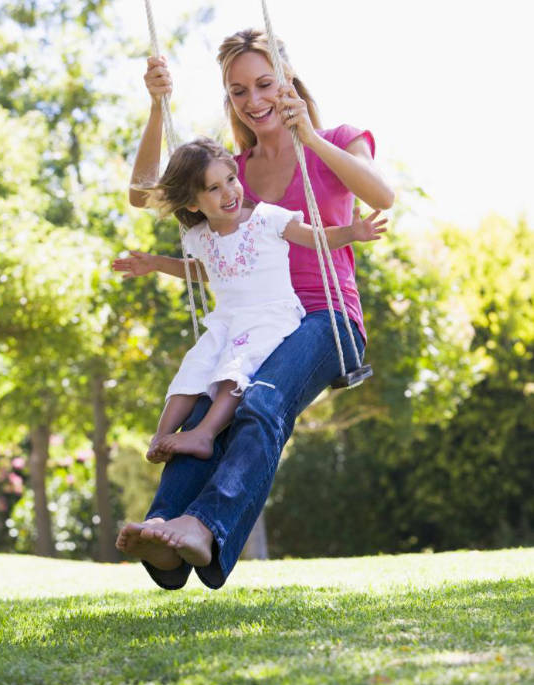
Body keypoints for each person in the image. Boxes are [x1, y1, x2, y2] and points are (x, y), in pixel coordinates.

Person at [115, 29, 394, 588]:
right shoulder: (231, 172)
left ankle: (206, 525)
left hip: (325, 320)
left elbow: (382, 195)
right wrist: (155, 107)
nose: (254, 100)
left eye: (265, 84)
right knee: (200, 417)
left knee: (259, 404)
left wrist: (308, 136)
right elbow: (144, 193)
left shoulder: (337, 138)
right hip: (250, 323)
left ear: (288, 81)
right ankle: (164, 532)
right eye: (238, 90)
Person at [114, 138, 386, 466]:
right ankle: (161, 436)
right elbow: (204, 271)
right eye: (213, 188)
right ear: (193, 204)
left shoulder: (266, 219)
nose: (229, 192)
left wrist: (351, 232)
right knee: (195, 366)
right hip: (226, 320)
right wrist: (156, 263)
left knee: (235, 368)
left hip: (270, 316)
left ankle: (205, 433)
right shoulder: (199, 236)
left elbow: (318, 238)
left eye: (231, 179)